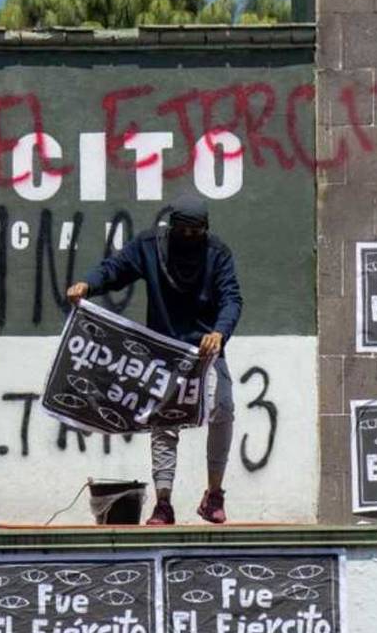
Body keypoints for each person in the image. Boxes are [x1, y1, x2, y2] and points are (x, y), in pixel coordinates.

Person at [67, 194, 242, 525]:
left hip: (205, 350)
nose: (190, 239)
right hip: (164, 351)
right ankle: (164, 503)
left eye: (197, 233)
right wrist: (87, 284)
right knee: (164, 422)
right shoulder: (149, 246)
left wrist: (219, 332)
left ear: (205, 230)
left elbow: (232, 298)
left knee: (223, 407)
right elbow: (115, 269)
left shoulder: (217, 254)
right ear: (172, 227)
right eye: (184, 232)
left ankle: (214, 494)